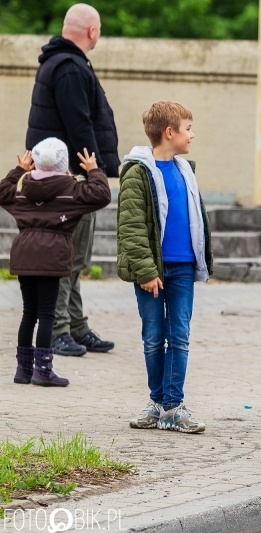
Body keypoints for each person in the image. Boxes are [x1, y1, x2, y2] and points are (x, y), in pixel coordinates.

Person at [25, 3, 119, 357]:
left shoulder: (61, 63)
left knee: (75, 257)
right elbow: (80, 124)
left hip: (66, 177)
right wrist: (94, 172)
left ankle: (76, 326)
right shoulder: (69, 68)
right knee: (67, 257)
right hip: (73, 180)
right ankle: (60, 330)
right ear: (92, 31)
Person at [119, 101, 212, 434]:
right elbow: (131, 227)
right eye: (188, 128)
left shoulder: (186, 169)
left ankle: (173, 406)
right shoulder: (137, 172)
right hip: (152, 271)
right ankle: (157, 403)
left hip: (183, 268)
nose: (192, 134)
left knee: (180, 336)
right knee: (154, 337)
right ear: (169, 132)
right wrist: (145, 271)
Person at [0, 138, 111, 387]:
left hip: (25, 254)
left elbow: (2, 192)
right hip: (52, 257)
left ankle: (23, 369)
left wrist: (19, 171)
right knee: (47, 315)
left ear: (35, 162)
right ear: (63, 164)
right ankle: (43, 370)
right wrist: (93, 170)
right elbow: (102, 195)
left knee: (28, 313)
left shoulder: (23, 190)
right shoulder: (71, 191)